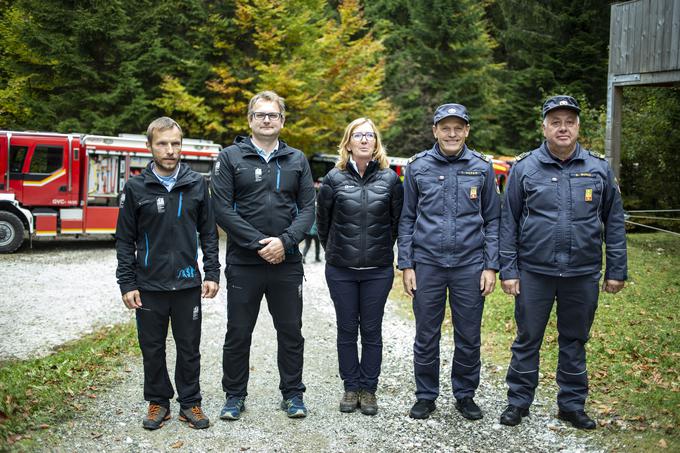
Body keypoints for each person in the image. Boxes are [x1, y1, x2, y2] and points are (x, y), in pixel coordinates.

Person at [498, 95, 627, 430]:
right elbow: (507, 222)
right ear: (544, 126)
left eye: (569, 121)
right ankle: (518, 402)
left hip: (581, 274)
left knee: (574, 340)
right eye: (555, 122)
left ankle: (571, 405)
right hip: (534, 273)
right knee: (528, 339)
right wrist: (509, 270)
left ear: (578, 126)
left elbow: (614, 221)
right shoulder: (524, 168)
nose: (563, 128)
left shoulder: (598, 168)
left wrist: (617, 270)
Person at [211, 90, 316, 420]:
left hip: (287, 263)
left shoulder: (298, 159)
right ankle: (234, 396)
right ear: (250, 120)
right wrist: (260, 244)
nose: (267, 120)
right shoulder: (230, 157)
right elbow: (222, 210)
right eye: (260, 115)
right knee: (239, 332)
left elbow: (308, 209)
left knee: (290, 332)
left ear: (282, 121)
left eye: (273, 115)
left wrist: (284, 243)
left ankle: (293, 394)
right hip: (244, 263)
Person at [115, 117, 220, 430]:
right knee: (153, 347)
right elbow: (124, 239)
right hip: (149, 285)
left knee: (189, 348)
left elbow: (209, 234)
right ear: (150, 147)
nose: (170, 150)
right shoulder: (135, 188)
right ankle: (158, 402)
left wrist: (212, 272)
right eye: (162, 143)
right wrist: (127, 283)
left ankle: (191, 403)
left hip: (188, 283)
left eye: (175, 143)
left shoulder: (197, 185)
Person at [398, 103, 501, 420]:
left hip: (470, 265)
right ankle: (426, 395)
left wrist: (490, 266)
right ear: (435, 131)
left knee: (469, 336)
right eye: (446, 127)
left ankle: (465, 395)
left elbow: (493, 221)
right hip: (427, 264)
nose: (452, 133)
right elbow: (407, 219)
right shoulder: (417, 168)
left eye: (459, 127)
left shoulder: (482, 168)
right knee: (426, 336)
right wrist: (407, 265)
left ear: (467, 131)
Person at [317, 118, 404, 415]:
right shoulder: (333, 179)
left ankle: (368, 389)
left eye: (370, 135)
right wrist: (338, 252)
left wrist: (377, 251)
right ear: (348, 142)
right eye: (358, 135)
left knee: (371, 330)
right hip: (340, 270)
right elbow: (323, 225)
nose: (364, 140)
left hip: (377, 271)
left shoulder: (391, 180)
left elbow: (396, 224)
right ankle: (350, 387)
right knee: (345, 329)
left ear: (376, 142)